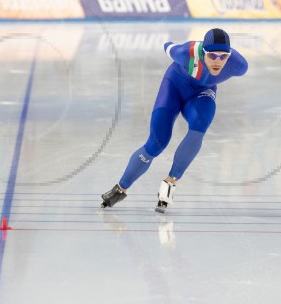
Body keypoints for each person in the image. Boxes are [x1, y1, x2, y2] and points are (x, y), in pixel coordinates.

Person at [100, 28, 248, 213]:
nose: (218, 61)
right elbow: (168, 46)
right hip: (174, 88)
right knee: (157, 143)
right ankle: (120, 189)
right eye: (212, 55)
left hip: (202, 94)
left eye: (223, 56)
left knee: (200, 124)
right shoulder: (186, 53)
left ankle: (170, 182)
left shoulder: (238, 65)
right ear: (203, 53)